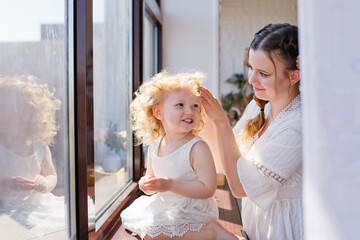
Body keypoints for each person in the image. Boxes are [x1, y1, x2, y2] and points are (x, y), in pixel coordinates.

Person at [200, 23, 303, 240]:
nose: (251, 80)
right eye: (251, 68)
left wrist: (221, 122)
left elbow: (239, 187)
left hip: (284, 232)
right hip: (254, 231)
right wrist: (200, 118)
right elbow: (222, 162)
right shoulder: (259, 107)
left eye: (263, 73)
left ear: (294, 76)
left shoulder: (297, 125)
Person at [120, 71, 219, 239]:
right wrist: (147, 183)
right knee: (131, 219)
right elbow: (151, 177)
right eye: (180, 105)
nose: (189, 111)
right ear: (158, 113)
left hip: (194, 210)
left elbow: (208, 189)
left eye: (195, 106)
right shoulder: (155, 146)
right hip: (168, 205)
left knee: (153, 234)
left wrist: (170, 185)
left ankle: (212, 232)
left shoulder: (197, 147)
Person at [0, 75, 65, 237]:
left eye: (2, 107)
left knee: (63, 226)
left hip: (38, 205)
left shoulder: (39, 144)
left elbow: (51, 175)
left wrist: (46, 183)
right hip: (9, 209)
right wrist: (6, 184)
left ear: (26, 113)